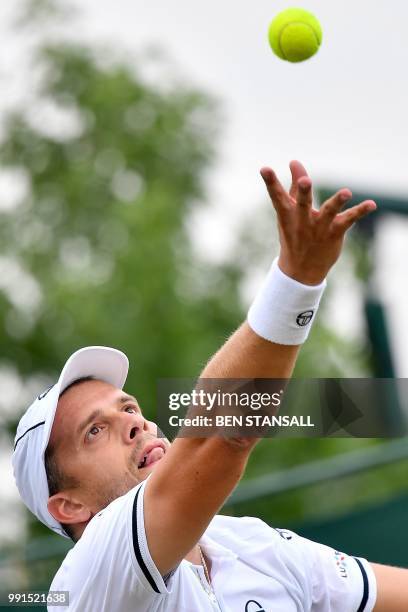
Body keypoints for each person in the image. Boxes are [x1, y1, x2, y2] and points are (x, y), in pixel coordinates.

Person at [13, 161, 401, 611]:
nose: (133, 424)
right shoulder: (92, 573)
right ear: (70, 507)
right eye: (94, 431)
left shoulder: (250, 544)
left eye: (129, 407)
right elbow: (222, 436)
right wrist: (296, 280)